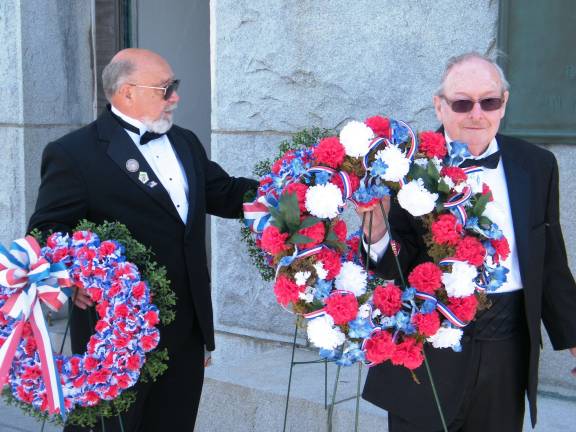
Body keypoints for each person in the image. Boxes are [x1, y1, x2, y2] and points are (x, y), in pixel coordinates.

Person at [28, 48, 257, 431]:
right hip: (117, 334)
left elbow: (227, 193)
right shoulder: (74, 153)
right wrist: (74, 276)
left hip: (186, 331)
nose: (176, 97)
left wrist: (294, 193)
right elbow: (46, 233)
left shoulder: (185, 142)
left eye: (174, 86)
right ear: (127, 92)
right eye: (166, 88)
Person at [360, 52, 576, 432]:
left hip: (508, 351)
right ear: (439, 106)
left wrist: (574, 333)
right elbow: (394, 268)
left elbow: (550, 260)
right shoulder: (405, 167)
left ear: (504, 104)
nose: (477, 113)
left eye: (489, 101)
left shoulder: (537, 164)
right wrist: (376, 228)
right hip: (427, 353)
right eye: (462, 102)